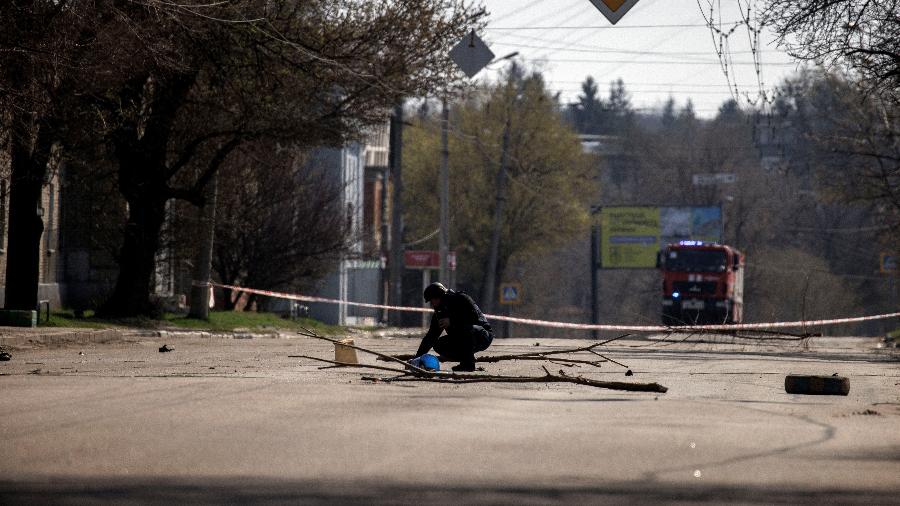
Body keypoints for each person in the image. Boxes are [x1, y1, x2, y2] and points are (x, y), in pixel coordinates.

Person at [415, 282, 493, 372]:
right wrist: (417, 358)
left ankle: (468, 364)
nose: (433, 304)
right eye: (431, 302)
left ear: (441, 296)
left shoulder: (461, 299)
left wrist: (452, 321)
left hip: (482, 336)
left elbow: (473, 317)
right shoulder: (440, 313)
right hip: (462, 339)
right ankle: (466, 358)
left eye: (434, 300)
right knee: (438, 345)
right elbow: (431, 336)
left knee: (466, 330)